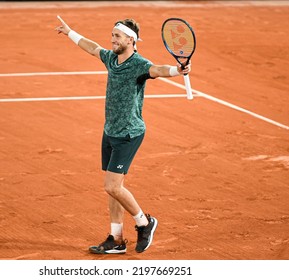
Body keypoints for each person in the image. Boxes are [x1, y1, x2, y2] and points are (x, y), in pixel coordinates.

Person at [55, 16, 191, 254]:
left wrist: (177, 70)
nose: (112, 40)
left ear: (131, 39)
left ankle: (145, 223)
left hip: (129, 133)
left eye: (117, 36)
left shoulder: (139, 64)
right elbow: (92, 47)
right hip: (110, 131)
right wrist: (70, 32)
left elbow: (157, 70)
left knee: (112, 186)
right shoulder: (111, 58)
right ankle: (116, 239)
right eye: (112, 36)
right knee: (114, 187)